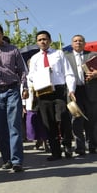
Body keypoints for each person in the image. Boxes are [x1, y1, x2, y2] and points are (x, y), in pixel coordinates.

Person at [27, 30, 76, 161]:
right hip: (43, 92)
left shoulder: (59, 54)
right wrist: (42, 73)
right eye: (39, 40)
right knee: (48, 123)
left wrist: (71, 90)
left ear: (50, 40)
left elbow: (68, 73)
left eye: (45, 39)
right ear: (37, 43)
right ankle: (55, 151)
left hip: (58, 91)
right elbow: (31, 76)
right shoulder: (35, 58)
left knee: (63, 118)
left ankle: (67, 145)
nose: (42, 41)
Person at [0, 24, 28, 172]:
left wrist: (25, 87)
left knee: (14, 126)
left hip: (12, 90)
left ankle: (17, 161)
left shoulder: (12, 49)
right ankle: (7, 159)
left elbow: (23, 70)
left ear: (2, 34)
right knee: (0, 128)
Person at [65, 34, 97, 155]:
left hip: (90, 90)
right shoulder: (66, 57)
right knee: (76, 119)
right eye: (75, 41)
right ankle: (80, 147)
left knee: (91, 119)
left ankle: (92, 145)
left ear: (84, 43)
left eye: (80, 41)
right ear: (72, 44)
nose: (78, 43)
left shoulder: (93, 55)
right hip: (74, 92)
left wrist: (96, 74)